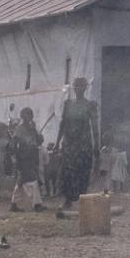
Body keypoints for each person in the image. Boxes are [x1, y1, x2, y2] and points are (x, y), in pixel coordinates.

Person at [53, 77, 101, 206]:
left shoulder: (90, 105)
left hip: (84, 144)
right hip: (69, 144)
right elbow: (62, 124)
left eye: (81, 86)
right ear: (73, 88)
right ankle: (68, 199)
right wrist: (57, 143)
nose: (79, 88)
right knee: (68, 171)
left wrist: (97, 144)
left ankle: (82, 199)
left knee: (83, 171)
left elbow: (95, 126)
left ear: (85, 88)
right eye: (76, 86)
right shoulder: (68, 104)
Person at [11, 107, 45, 211]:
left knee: (22, 181)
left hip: (32, 157)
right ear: (22, 116)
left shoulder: (32, 129)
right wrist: (16, 157)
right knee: (32, 179)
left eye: (30, 114)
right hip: (23, 157)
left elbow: (39, 141)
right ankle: (37, 204)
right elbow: (14, 143)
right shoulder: (19, 129)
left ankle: (14, 204)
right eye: (26, 114)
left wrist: (35, 131)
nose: (29, 117)